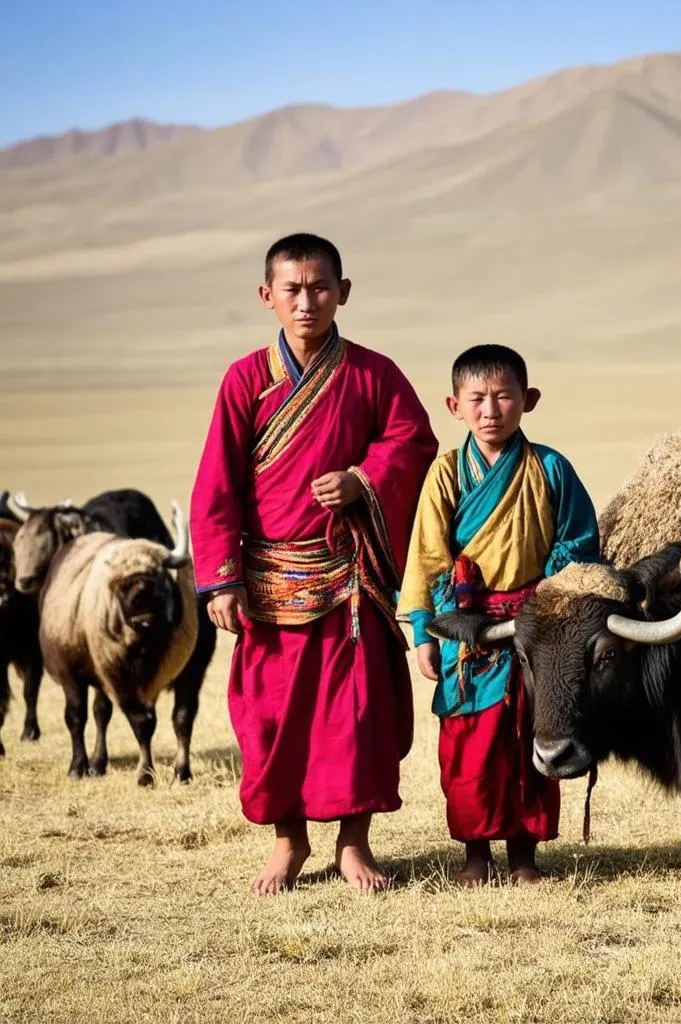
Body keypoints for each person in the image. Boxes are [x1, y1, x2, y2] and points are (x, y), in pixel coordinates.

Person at [190, 232, 438, 895]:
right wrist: (219, 577)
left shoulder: (373, 373)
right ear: (268, 297)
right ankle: (289, 843)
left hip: (347, 581)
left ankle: (354, 844)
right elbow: (216, 483)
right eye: (293, 290)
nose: (307, 302)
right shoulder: (243, 379)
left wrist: (364, 477)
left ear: (343, 293)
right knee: (272, 725)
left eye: (320, 288)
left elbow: (415, 440)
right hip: (270, 585)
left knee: (354, 719)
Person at [397, 344, 601, 886]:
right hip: (463, 632)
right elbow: (428, 557)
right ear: (453, 405)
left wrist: (546, 596)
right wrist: (423, 634)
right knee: (467, 747)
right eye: (478, 398)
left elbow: (579, 543)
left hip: (535, 630)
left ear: (528, 400)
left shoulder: (551, 468)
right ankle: (475, 856)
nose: (491, 409)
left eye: (504, 395)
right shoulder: (445, 474)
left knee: (529, 741)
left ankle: (525, 858)